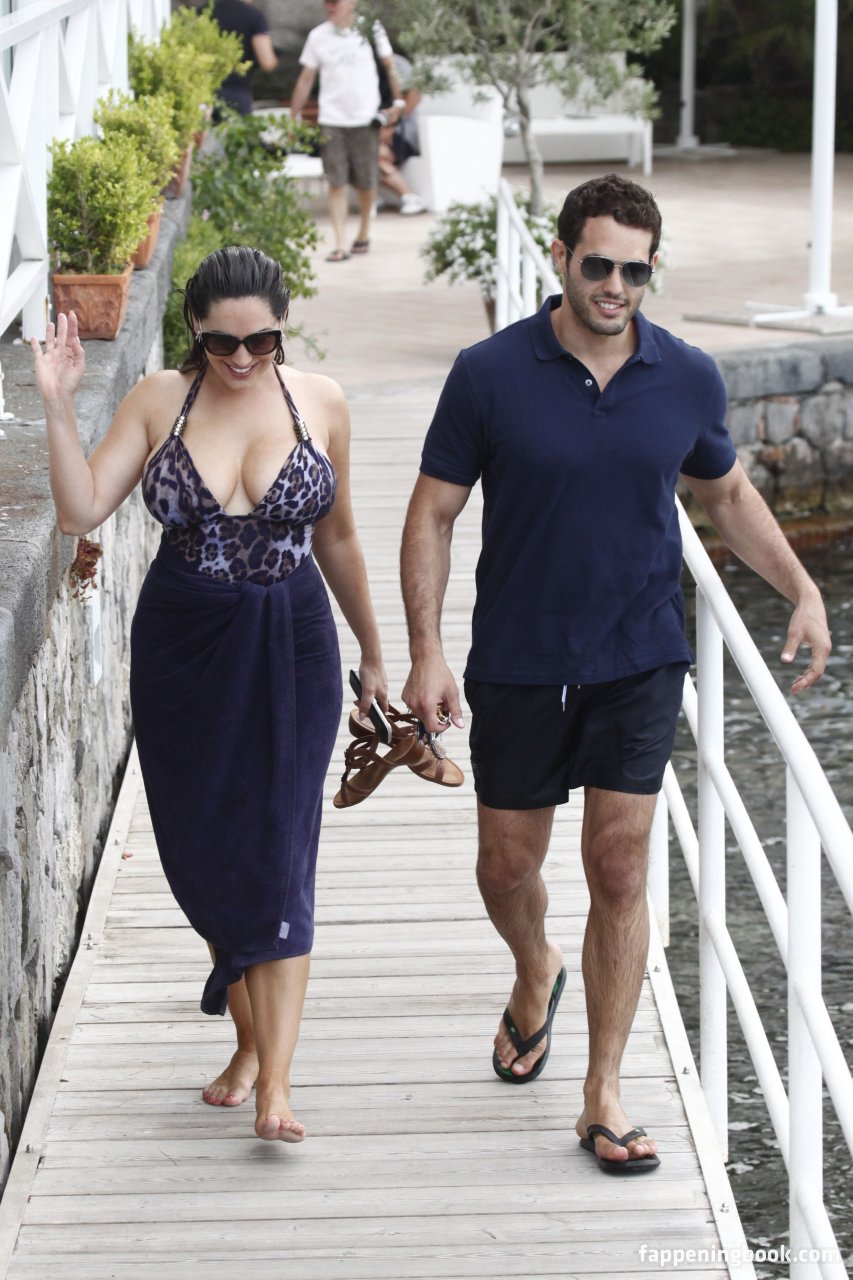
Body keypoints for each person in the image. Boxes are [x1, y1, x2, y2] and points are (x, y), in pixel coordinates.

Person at [399, 173, 831, 1174]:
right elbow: (432, 512)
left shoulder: (685, 375)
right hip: (517, 657)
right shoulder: (488, 373)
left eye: (635, 271)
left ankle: (602, 1091)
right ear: (559, 257)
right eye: (598, 264)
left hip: (639, 654)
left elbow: (726, 493)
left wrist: (801, 588)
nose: (615, 287)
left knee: (621, 868)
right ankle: (533, 967)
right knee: (506, 867)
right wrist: (425, 647)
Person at [31, 245, 387, 1144]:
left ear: (282, 326)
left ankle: (277, 1083)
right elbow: (78, 510)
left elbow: (339, 539)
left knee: (280, 846)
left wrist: (378, 654)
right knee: (206, 849)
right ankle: (247, 1044)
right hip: (183, 645)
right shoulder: (160, 399)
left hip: (293, 639)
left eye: (260, 341)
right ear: (194, 328)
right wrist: (58, 405)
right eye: (223, 342)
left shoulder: (321, 401)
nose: (241, 359)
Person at [289, 0, 404, 260]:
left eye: (335, 1)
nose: (329, 6)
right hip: (331, 119)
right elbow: (306, 78)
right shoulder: (318, 36)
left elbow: (390, 65)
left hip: (366, 119)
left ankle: (363, 231)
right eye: (326, 2)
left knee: (366, 182)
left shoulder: (371, 29)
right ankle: (340, 243)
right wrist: (293, 115)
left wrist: (398, 102)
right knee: (336, 182)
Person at [377, 55, 426, 216]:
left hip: (404, 130)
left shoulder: (398, 64)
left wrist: (391, 126)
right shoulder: (358, 64)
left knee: (375, 155)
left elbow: (415, 96)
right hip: (375, 131)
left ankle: (410, 196)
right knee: (351, 153)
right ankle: (371, 196)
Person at [212, 0, 278, 116]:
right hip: (237, 92)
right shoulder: (253, 16)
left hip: (206, 92)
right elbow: (267, 62)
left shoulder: (205, 11)